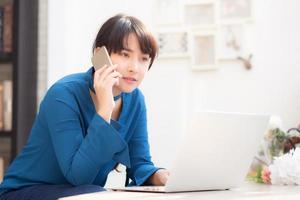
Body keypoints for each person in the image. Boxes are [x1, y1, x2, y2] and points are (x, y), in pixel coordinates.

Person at [0, 14, 169, 200]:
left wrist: (162, 176)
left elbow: (140, 164)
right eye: (125, 54)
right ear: (99, 55)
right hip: (25, 192)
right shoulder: (63, 95)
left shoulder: (135, 100)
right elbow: (78, 176)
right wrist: (105, 110)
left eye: (144, 59)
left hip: (83, 194)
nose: (134, 68)